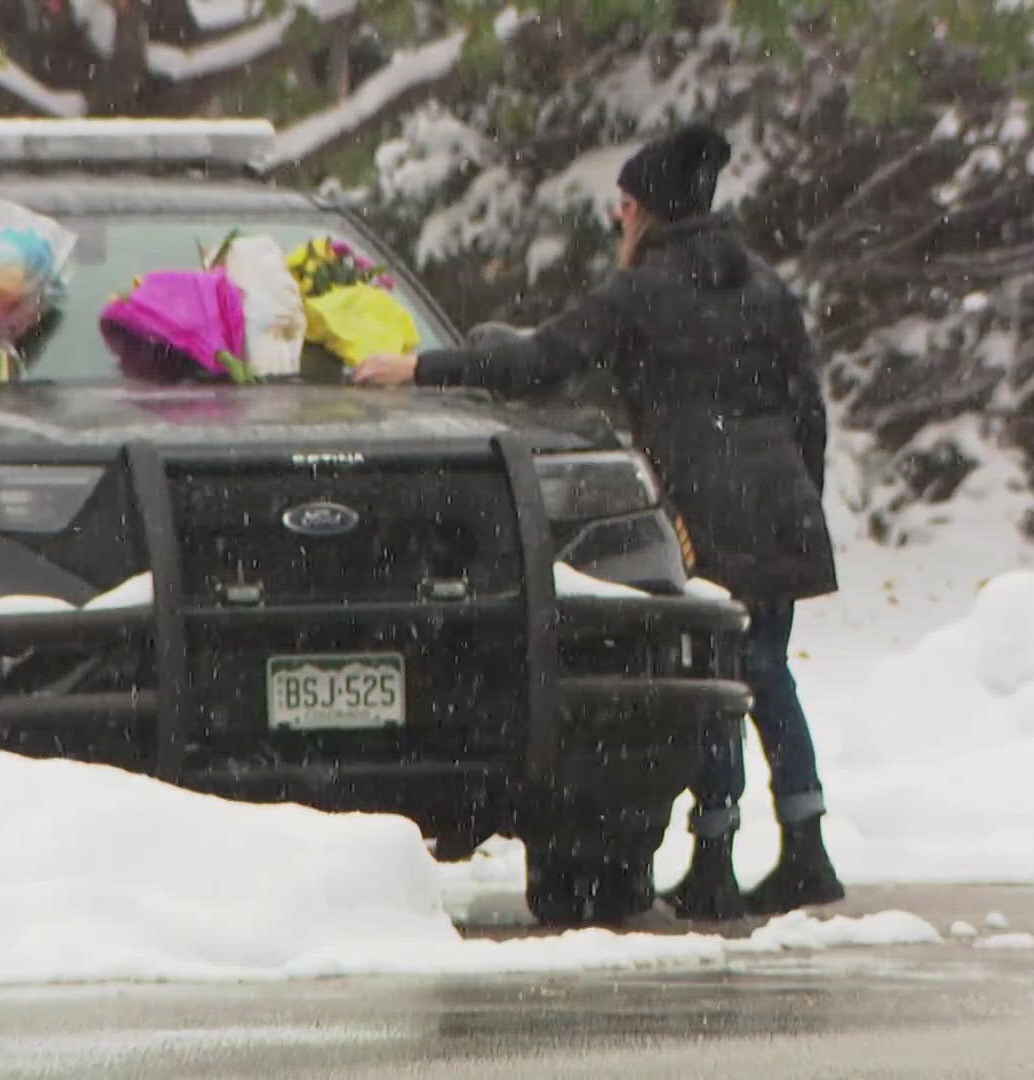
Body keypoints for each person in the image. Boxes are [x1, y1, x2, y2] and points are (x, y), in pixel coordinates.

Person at [352, 122, 844, 920]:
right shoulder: (760, 283)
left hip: (706, 509)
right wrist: (800, 501)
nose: (616, 219)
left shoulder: (642, 291)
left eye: (623, 204)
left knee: (709, 680)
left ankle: (715, 858)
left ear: (647, 210)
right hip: (780, 499)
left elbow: (539, 361)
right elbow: (808, 408)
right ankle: (807, 844)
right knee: (765, 670)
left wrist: (423, 368)